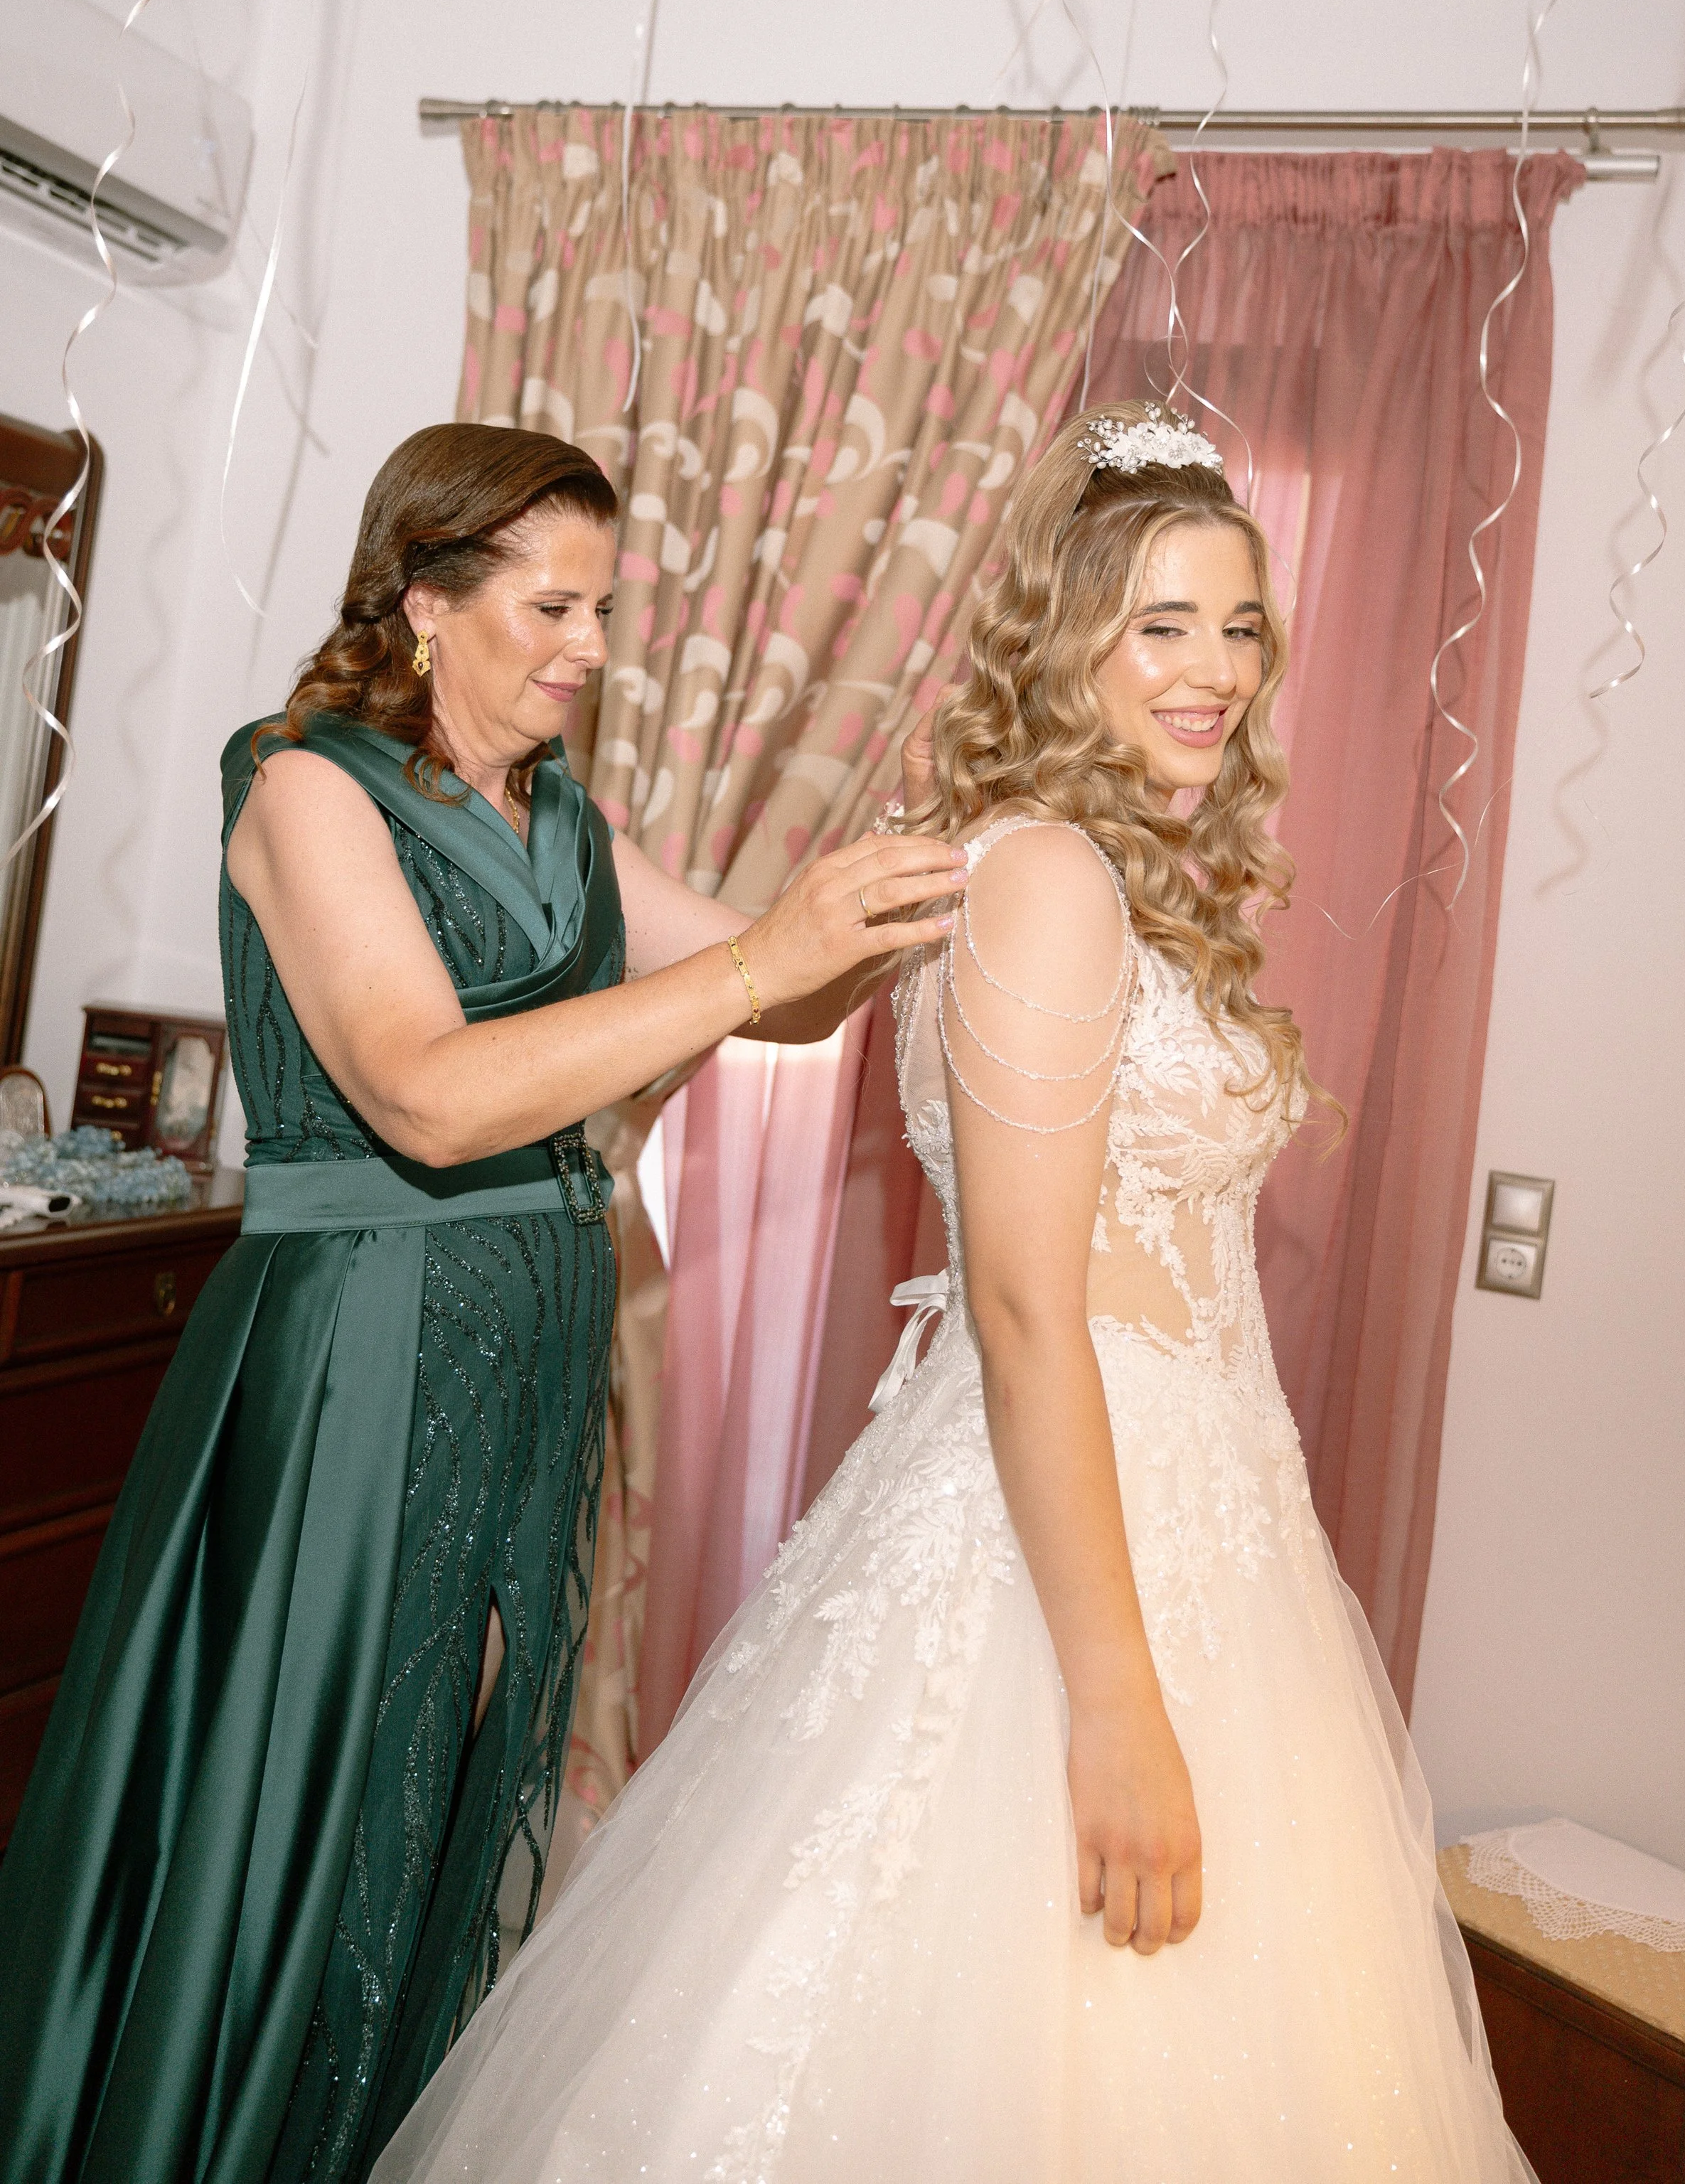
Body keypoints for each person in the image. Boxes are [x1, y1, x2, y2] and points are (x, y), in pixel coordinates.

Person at [365, 402, 1537, 2184]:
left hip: (1200, 1507)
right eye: (1159, 624)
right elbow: (1016, 1308)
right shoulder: (1047, 877)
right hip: (1070, 1543)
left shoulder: (1107, 875)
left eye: (1236, 626)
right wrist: (1117, 1707)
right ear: (1067, 637)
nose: (1212, 669)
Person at [0, 424, 963, 2184]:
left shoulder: (567, 825)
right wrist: (763, 952)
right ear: (427, 601)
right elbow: (425, 1092)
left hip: (525, 1342)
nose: (592, 646)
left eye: (602, 607)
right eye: (556, 604)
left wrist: (907, 904)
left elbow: (779, 1006)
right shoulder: (303, 786)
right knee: (307, 1782)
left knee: (430, 1795)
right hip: (365, 1343)